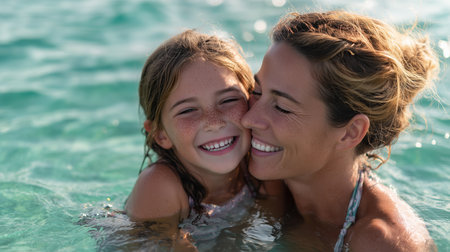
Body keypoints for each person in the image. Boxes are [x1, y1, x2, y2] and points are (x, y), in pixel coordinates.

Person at [241, 11, 439, 251]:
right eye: (258, 91)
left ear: (350, 133)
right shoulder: (246, 175)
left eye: (282, 108)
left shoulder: (382, 242)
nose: (249, 119)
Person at [125, 30, 286, 247]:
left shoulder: (261, 169)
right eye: (188, 110)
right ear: (161, 134)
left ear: (251, 101)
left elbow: (283, 230)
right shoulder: (161, 186)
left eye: (228, 100)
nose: (214, 122)